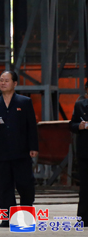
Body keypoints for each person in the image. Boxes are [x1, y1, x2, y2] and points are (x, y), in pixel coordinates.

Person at [0, 70, 38, 228]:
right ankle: (6, 218)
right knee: (4, 187)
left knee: (25, 184)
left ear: (15, 84)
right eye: (1, 80)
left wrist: (33, 147)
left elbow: (32, 126)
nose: (2, 83)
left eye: (6, 80)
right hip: (1, 151)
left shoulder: (24, 102)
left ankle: (26, 217)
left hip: (21, 151)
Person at [70, 82, 88, 222]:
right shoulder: (80, 105)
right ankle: (84, 216)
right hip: (85, 151)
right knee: (85, 185)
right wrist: (79, 126)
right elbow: (72, 125)